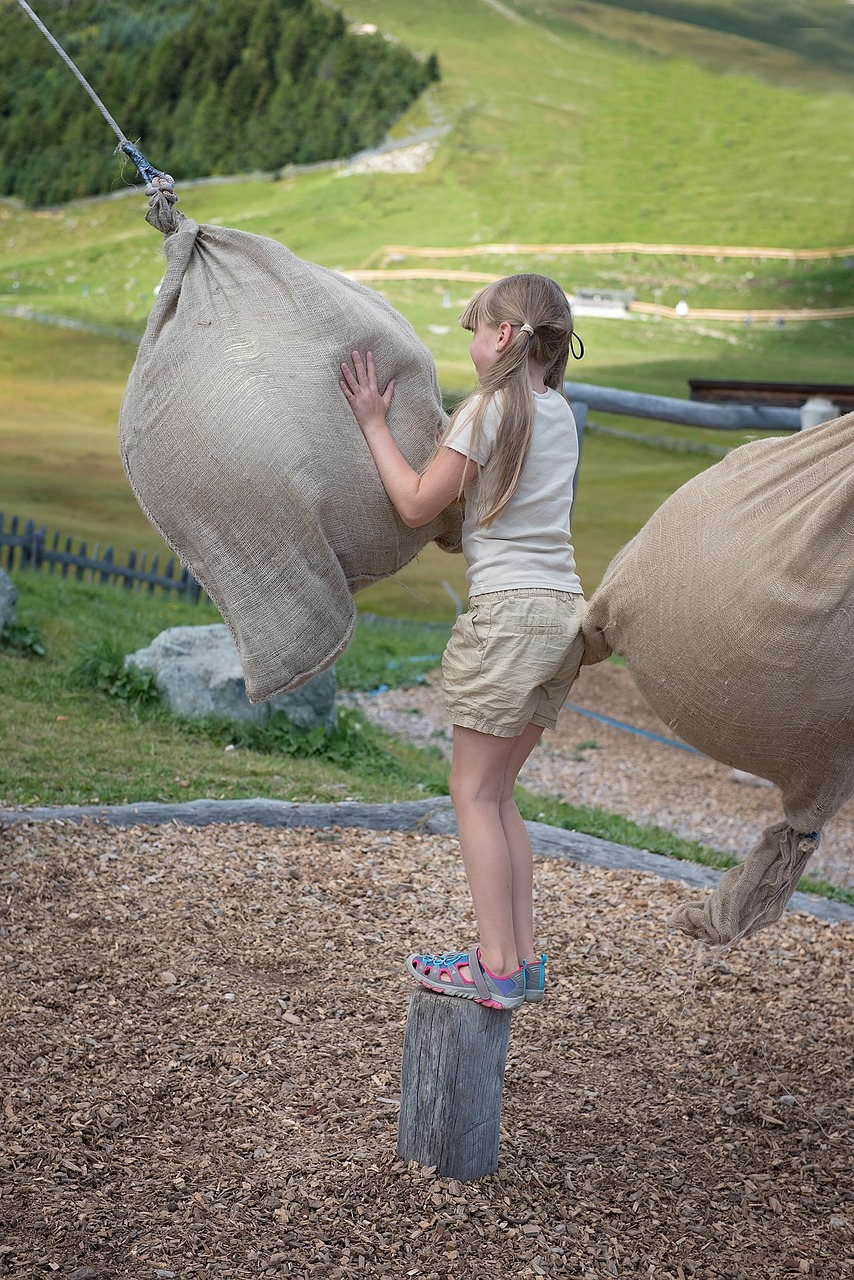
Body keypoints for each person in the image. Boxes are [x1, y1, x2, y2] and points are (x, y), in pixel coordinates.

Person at [339, 273, 585, 1011]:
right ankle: (523, 957)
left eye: (476, 329)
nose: (471, 342)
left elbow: (417, 503)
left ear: (504, 337)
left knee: (471, 794)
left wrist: (374, 422)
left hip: (506, 618)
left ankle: (496, 967)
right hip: (564, 614)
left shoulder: (487, 410)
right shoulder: (560, 411)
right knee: (499, 792)